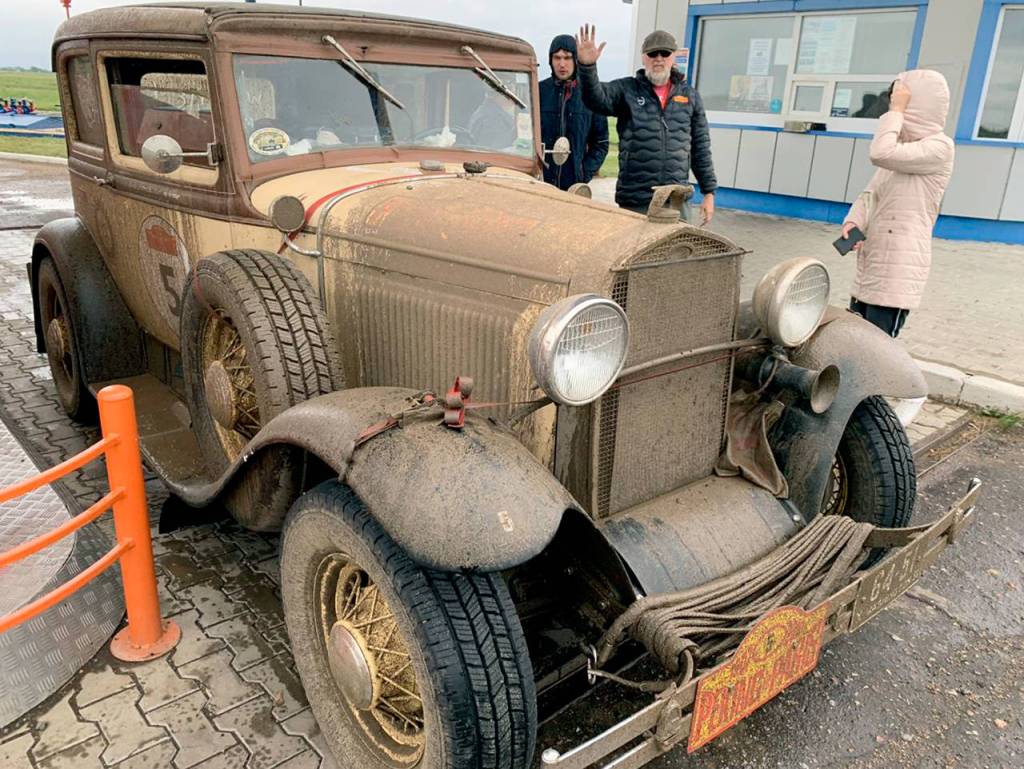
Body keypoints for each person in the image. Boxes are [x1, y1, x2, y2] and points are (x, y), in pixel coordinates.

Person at [840, 70, 955, 338]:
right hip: (873, 262)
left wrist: (897, 111)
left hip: (898, 270)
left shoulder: (939, 147)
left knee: (878, 351)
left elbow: (880, 152)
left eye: (899, 101)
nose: (891, 107)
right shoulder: (901, 147)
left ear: (918, 105)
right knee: (854, 342)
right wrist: (853, 222)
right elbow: (871, 194)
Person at [575, 25, 717, 225]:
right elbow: (595, 99)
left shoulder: (690, 96)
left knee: (677, 253)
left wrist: (709, 192)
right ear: (643, 58)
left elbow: (701, 147)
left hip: (676, 200)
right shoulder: (627, 90)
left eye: (664, 53)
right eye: (652, 53)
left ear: (673, 57)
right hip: (637, 200)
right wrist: (587, 67)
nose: (658, 58)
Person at [539, 34, 609, 190]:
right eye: (557, 58)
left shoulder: (592, 95)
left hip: (574, 185)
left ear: (576, 60)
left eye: (567, 58)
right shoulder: (538, 91)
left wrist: (583, 173)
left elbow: (601, 143)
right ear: (550, 60)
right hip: (540, 182)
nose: (562, 64)